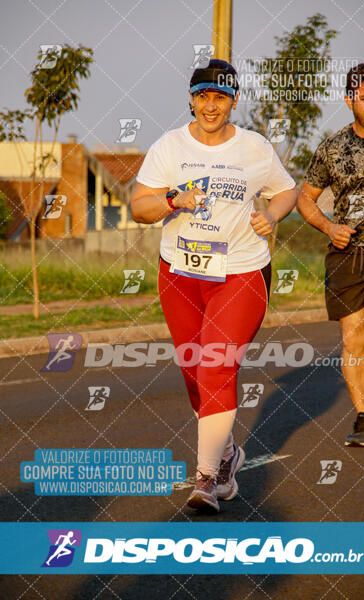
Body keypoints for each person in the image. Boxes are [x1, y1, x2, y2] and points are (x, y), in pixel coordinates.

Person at [131, 59, 296, 511]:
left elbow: (287, 190)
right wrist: (172, 200)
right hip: (180, 273)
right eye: (202, 96)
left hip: (240, 273)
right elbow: (138, 208)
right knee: (192, 372)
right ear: (191, 98)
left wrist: (273, 215)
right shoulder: (169, 147)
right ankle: (226, 455)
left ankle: (206, 480)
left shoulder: (255, 148)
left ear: (234, 101)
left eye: (219, 97)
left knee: (215, 366)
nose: (210, 105)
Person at [297, 62, 364, 447]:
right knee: (352, 341)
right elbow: (304, 199)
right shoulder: (333, 147)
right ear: (349, 101)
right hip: (349, 255)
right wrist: (329, 227)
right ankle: (363, 418)